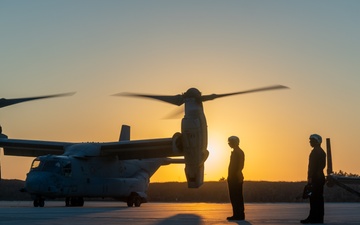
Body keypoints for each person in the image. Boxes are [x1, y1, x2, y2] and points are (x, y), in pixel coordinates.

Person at [301, 134, 326, 224]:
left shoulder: (316, 152)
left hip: (316, 178)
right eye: (310, 141)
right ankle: (317, 218)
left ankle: (314, 218)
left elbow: (313, 167)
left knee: (315, 199)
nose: (310, 142)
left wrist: (311, 178)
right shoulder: (320, 151)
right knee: (318, 198)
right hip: (319, 178)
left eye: (312, 141)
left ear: (317, 142)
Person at [226, 136, 245, 221]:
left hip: (236, 178)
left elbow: (240, 165)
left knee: (237, 196)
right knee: (234, 196)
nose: (229, 144)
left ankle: (239, 215)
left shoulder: (238, 152)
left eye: (231, 142)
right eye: (229, 142)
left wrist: (236, 175)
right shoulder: (235, 152)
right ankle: (236, 214)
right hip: (232, 177)